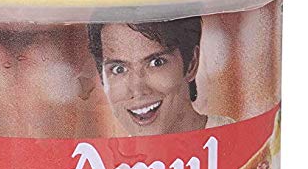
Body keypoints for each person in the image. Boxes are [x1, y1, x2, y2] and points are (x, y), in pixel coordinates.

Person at [87, 17, 234, 136]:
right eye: (119, 69)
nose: (138, 90)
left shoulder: (236, 144)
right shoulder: (111, 162)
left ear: (191, 64)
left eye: (156, 63)